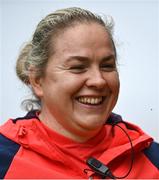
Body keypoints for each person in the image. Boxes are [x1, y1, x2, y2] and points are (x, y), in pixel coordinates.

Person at [0, 7, 158, 179]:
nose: (98, 80)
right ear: (37, 80)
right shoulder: (5, 157)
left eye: (107, 66)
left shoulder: (152, 157)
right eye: (77, 67)